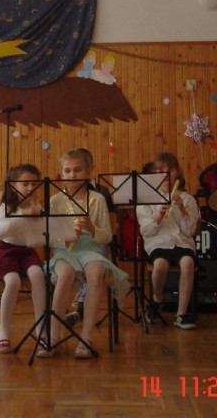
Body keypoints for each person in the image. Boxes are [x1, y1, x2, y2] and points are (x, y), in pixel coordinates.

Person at [45, 148, 129, 359]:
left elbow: (106, 236)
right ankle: (53, 337)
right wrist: (66, 237)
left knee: (96, 272)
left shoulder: (98, 199)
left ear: (89, 171)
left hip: (91, 249)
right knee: (65, 274)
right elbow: (49, 238)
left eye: (78, 170)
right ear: (61, 173)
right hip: (64, 251)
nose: (72, 174)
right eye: (67, 170)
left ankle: (86, 337)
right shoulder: (55, 201)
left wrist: (92, 229)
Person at [137, 153, 199, 329]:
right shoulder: (146, 200)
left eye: (169, 171)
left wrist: (182, 210)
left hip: (182, 243)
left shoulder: (188, 199)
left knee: (187, 263)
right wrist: (158, 216)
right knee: (160, 266)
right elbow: (146, 231)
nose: (165, 175)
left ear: (177, 173)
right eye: (160, 171)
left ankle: (181, 313)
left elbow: (190, 231)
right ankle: (157, 298)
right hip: (158, 243)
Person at [0, 164, 46, 354]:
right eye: (25, 184)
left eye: (34, 184)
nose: (30, 188)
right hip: (6, 251)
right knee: (13, 281)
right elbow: (0, 231)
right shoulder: (7, 207)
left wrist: (42, 224)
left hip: (26, 251)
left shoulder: (37, 207)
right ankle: (3, 332)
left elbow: (37, 237)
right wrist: (24, 215)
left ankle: (42, 330)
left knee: (38, 275)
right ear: (13, 186)